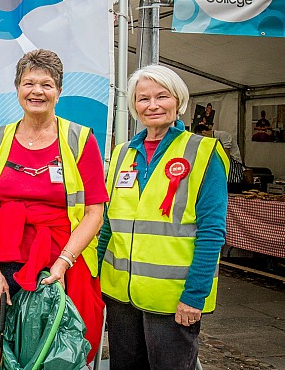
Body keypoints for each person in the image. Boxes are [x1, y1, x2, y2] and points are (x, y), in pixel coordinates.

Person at [0, 49, 108, 368]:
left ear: (59, 91)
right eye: (28, 83)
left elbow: (95, 212)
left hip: (62, 263)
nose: (37, 91)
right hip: (3, 261)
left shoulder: (80, 139)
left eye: (46, 84)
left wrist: (62, 263)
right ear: (17, 89)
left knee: (55, 354)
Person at [98, 65, 229, 370]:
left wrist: (194, 297)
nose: (153, 105)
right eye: (143, 99)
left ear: (178, 101)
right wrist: (95, 278)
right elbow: (108, 224)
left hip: (172, 301)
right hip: (120, 297)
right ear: (134, 106)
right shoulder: (121, 154)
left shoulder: (203, 152)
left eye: (162, 96)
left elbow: (212, 232)